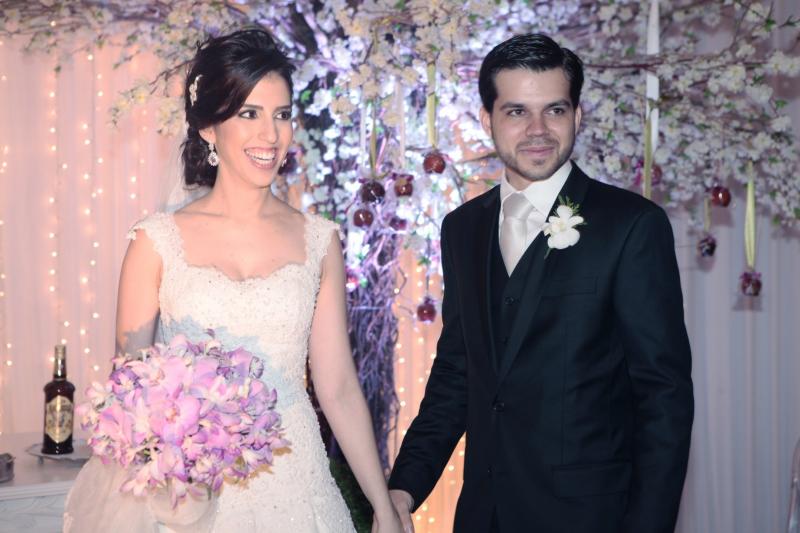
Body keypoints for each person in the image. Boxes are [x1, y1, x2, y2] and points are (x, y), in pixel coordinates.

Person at [63, 28, 404, 533]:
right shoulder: (155, 242)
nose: (271, 135)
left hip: (296, 479)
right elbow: (133, 394)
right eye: (249, 114)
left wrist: (383, 507)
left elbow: (337, 388)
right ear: (208, 128)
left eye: (282, 114)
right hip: (191, 492)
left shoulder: (320, 240)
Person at [385, 33, 694, 533]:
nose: (538, 130)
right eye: (516, 112)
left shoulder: (632, 225)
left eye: (554, 110)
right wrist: (404, 489)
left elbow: (664, 396)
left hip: (591, 518)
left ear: (577, 116)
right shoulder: (462, 229)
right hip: (483, 516)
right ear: (486, 119)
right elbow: (457, 373)